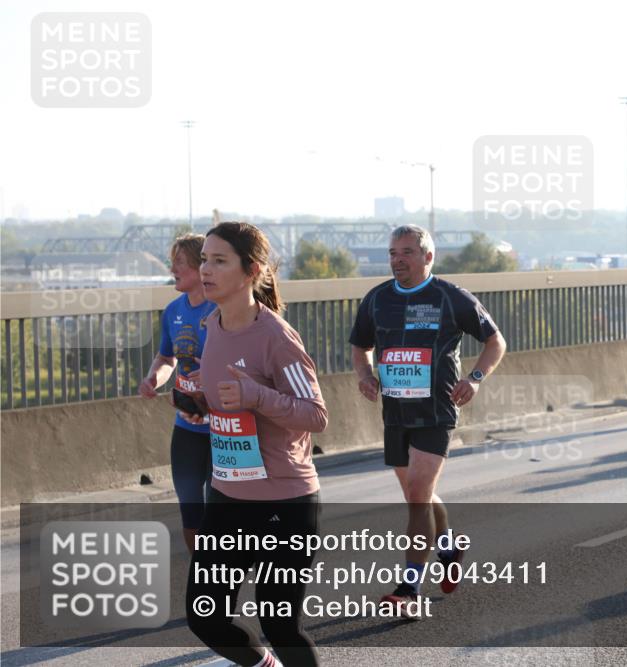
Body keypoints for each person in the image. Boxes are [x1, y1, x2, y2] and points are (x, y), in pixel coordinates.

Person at [182, 222, 328, 667]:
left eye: (219, 260)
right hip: (228, 495)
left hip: (284, 501)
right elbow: (233, 402)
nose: (206, 269)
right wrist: (203, 405)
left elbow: (315, 415)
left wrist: (256, 396)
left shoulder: (276, 337)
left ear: (252, 271)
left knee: (280, 625)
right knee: (204, 616)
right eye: (204, 259)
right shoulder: (212, 324)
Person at [349, 224, 506, 616]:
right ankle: (450, 547)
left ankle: (409, 589)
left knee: (418, 494)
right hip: (396, 413)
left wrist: (475, 378)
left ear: (427, 257)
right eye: (392, 253)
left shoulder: (450, 298)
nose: (397, 259)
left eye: (406, 252)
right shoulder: (377, 299)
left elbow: (494, 341)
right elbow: (359, 345)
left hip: (437, 410)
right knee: (417, 495)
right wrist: (365, 375)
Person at [139, 234, 216, 553]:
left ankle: (225, 571)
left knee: (221, 509)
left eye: (179, 262)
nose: (172, 269)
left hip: (222, 427)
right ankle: (203, 569)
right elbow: (168, 357)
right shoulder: (172, 311)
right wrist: (153, 378)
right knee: (190, 511)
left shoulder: (222, 308)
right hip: (186, 425)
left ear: (201, 268)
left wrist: (212, 374)